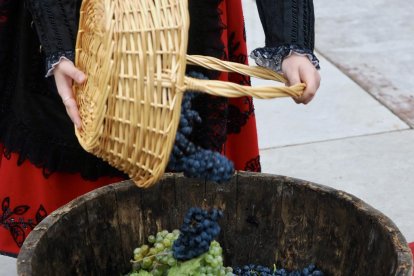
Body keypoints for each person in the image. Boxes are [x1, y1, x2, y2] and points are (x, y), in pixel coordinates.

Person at [0, 0, 320, 256]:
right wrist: (60, 36)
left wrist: (290, 38)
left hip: (188, 22)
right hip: (81, 23)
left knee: (186, 200)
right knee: (80, 243)